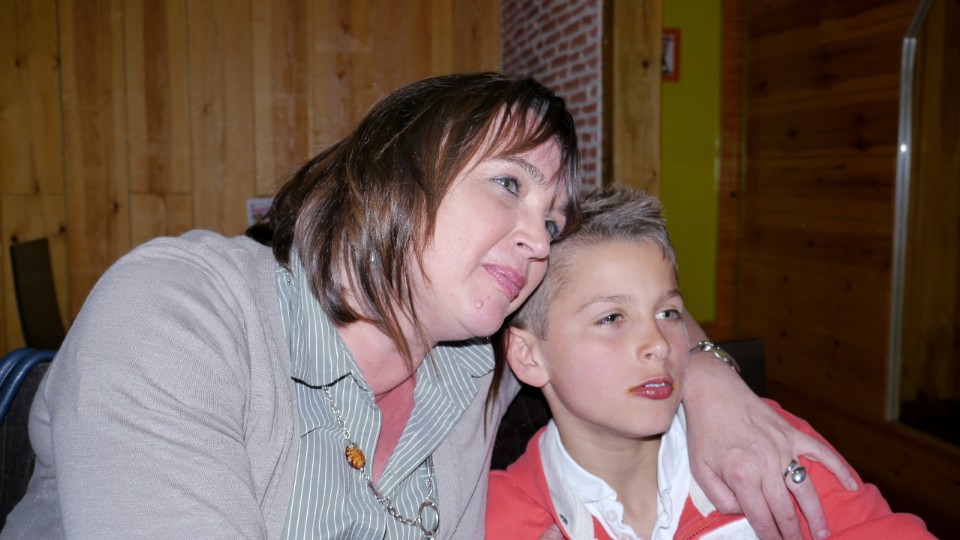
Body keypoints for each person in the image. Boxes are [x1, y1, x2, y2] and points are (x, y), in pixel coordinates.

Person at [4, 73, 851, 540]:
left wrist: (712, 379)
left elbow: (626, 301)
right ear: (392, 169)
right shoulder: (181, 313)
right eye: (509, 184)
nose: (538, 238)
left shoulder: (473, 364)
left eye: (551, 220)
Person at [485, 186, 934, 539]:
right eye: (612, 318)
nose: (658, 344)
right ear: (528, 355)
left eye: (668, 313)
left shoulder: (759, 443)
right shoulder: (498, 515)